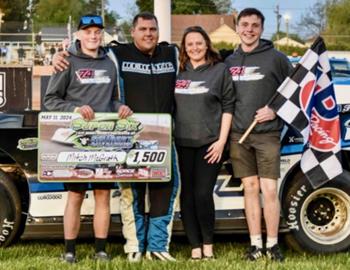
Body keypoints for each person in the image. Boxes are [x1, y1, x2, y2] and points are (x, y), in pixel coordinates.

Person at [53, 12, 180, 262]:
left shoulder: (171, 53)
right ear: (132, 32)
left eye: (152, 29)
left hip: (160, 134)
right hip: (118, 137)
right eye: (142, 29)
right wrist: (61, 53)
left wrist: (118, 105)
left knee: (161, 190)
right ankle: (131, 245)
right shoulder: (116, 54)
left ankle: (156, 246)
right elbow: (82, 48)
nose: (148, 33)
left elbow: (204, 53)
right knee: (126, 193)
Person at [44, 14, 132, 263]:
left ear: (101, 34)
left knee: (103, 195)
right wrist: (74, 109)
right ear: (79, 35)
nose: (93, 36)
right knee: (76, 195)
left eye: (97, 32)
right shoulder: (67, 61)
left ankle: (100, 250)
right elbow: (51, 100)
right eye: (88, 31)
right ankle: (69, 251)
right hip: (76, 140)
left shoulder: (109, 62)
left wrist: (120, 108)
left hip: (105, 140)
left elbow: (113, 99)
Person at [224, 8, 292, 262]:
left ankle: (273, 245)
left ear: (262, 29)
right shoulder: (229, 61)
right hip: (238, 135)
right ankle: (255, 245)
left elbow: (295, 93)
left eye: (255, 25)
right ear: (238, 27)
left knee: (269, 189)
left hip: (267, 136)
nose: (249, 29)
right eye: (245, 24)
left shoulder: (276, 59)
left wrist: (274, 111)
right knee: (250, 189)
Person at [174, 26, 233, 260]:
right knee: (186, 196)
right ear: (184, 48)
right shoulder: (178, 71)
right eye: (190, 44)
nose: (195, 48)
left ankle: (208, 244)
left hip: (210, 144)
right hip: (182, 143)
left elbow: (229, 106)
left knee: (202, 194)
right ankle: (194, 246)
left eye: (199, 43)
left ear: (207, 44)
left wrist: (221, 141)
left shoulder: (219, 70)